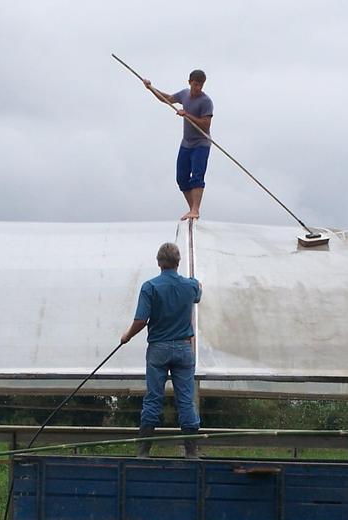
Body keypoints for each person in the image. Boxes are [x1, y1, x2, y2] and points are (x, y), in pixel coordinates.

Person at [121, 242, 203, 457]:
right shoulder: (190, 286)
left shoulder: (150, 287)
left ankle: (143, 451)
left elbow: (141, 320)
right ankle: (191, 452)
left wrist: (127, 336)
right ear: (178, 262)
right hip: (184, 348)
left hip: (158, 348)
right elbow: (198, 291)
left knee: (153, 398)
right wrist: (193, 282)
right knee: (186, 400)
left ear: (159, 262)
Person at [142, 69, 213, 221]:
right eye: (195, 85)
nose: (198, 88)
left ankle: (195, 210)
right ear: (189, 82)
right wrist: (151, 88)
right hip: (187, 143)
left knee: (197, 177)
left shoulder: (206, 102)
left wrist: (187, 115)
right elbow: (166, 98)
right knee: (181, 178)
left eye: (201, 85)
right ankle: (191, 209)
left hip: (201, 143)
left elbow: (205, 125)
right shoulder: (184, 94)